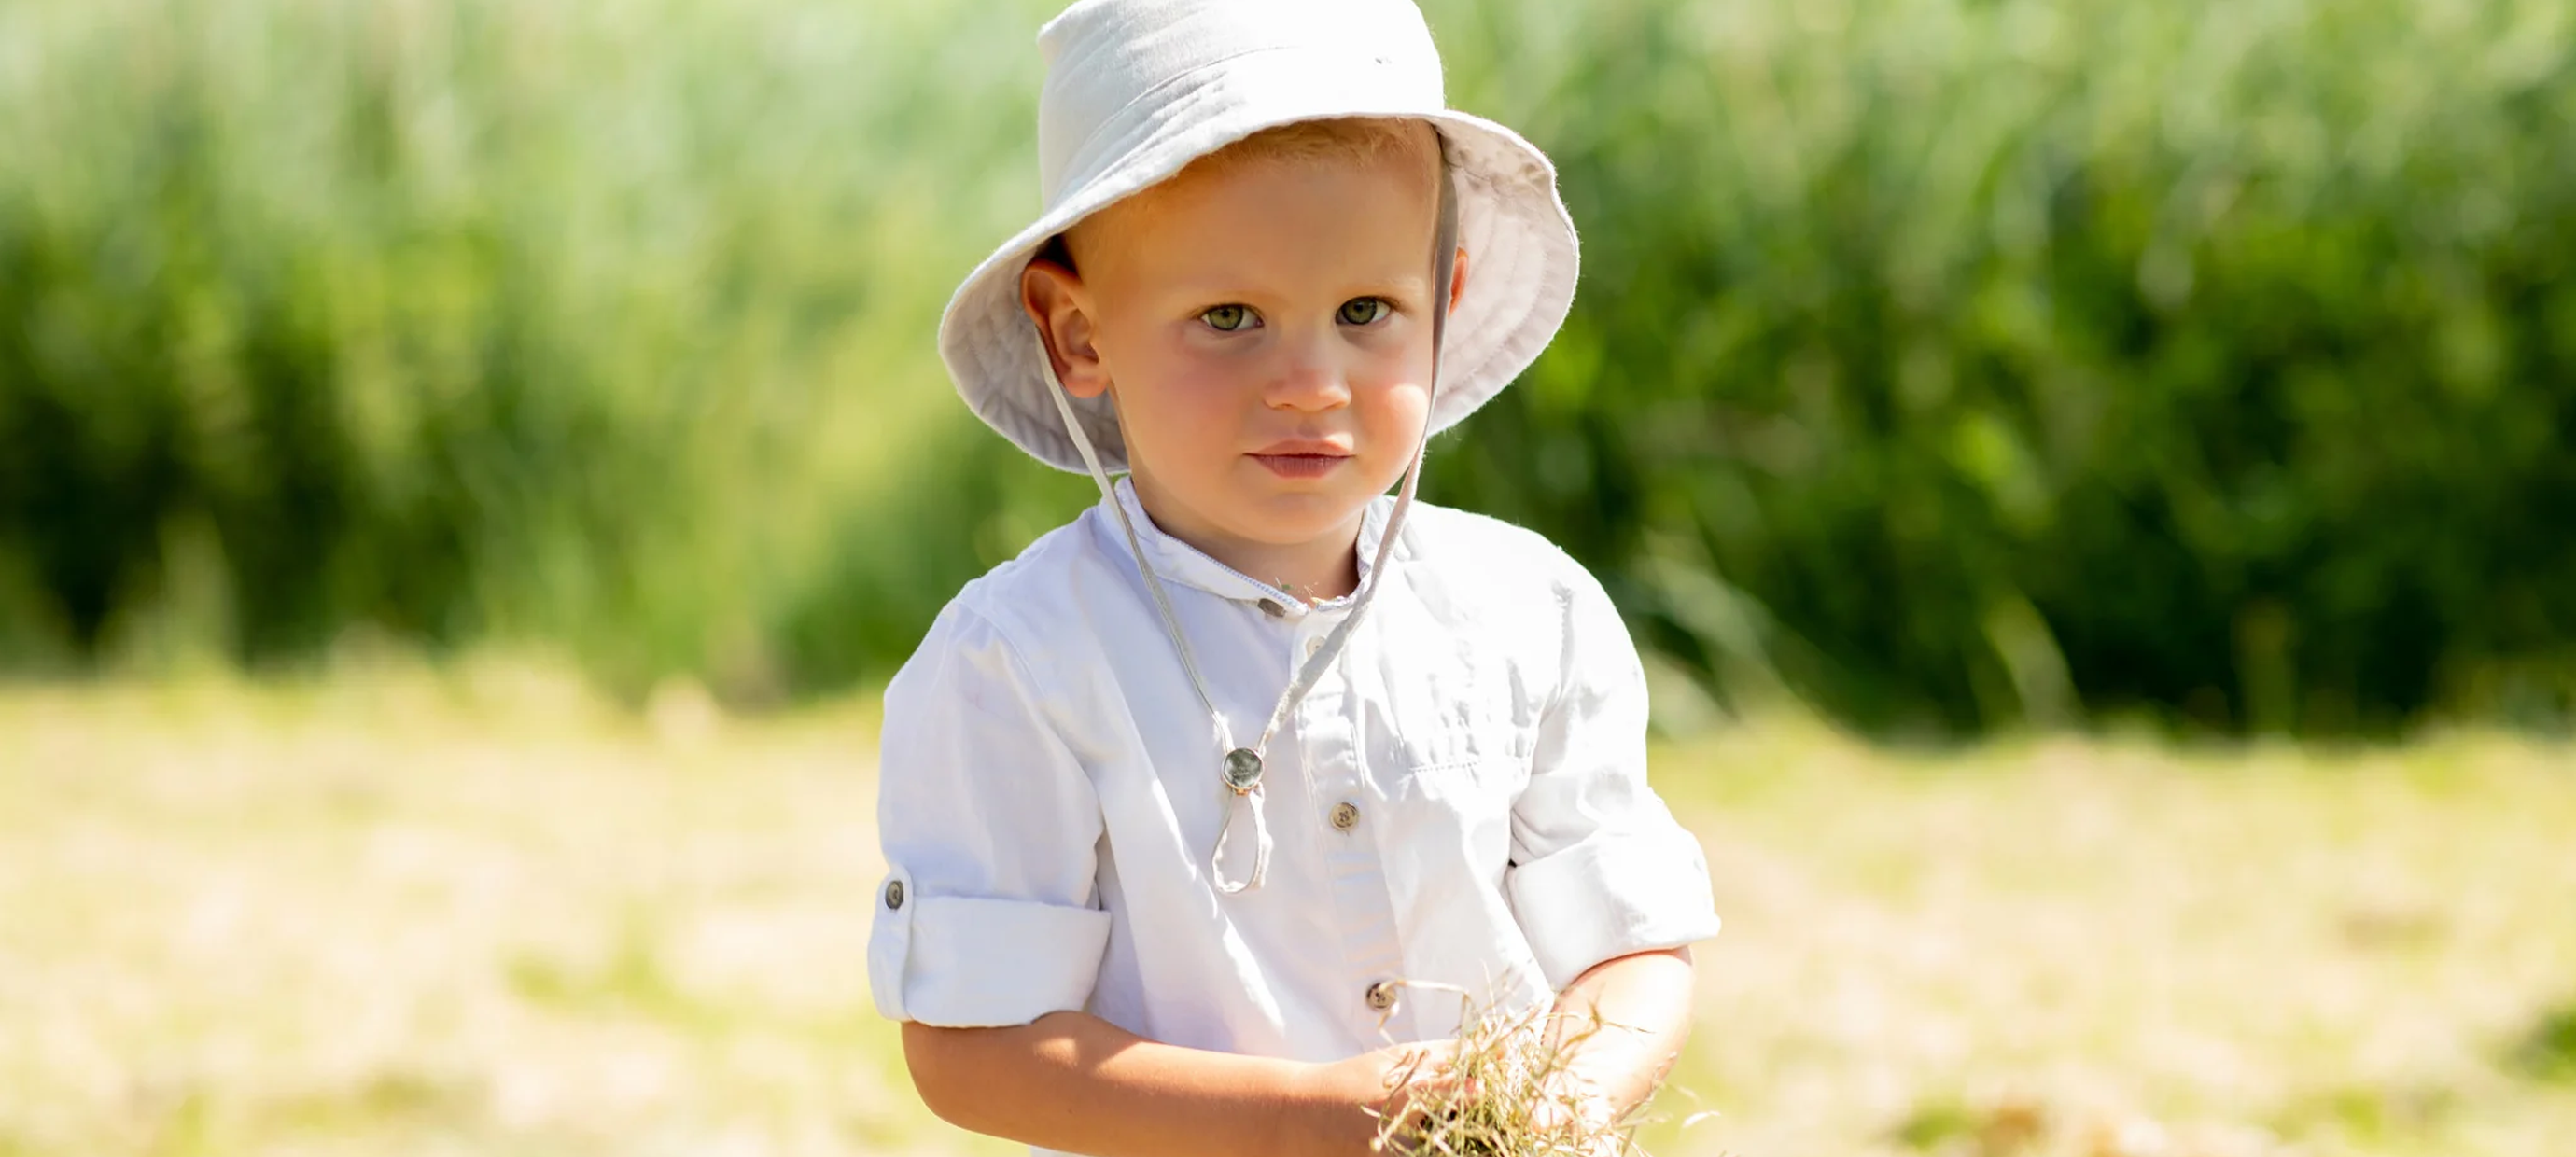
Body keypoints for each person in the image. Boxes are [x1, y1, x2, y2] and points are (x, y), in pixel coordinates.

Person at [866, 2, 1722, 1153]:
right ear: (1078, 334)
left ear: (1444, 302)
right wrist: (1312, 1118)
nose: (1312, 382)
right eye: (1229, 318)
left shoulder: (1532, 612)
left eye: (1366, 311)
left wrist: (1566, 1096)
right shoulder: (1019, 663)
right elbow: (976, 1047)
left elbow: (1631, 943)